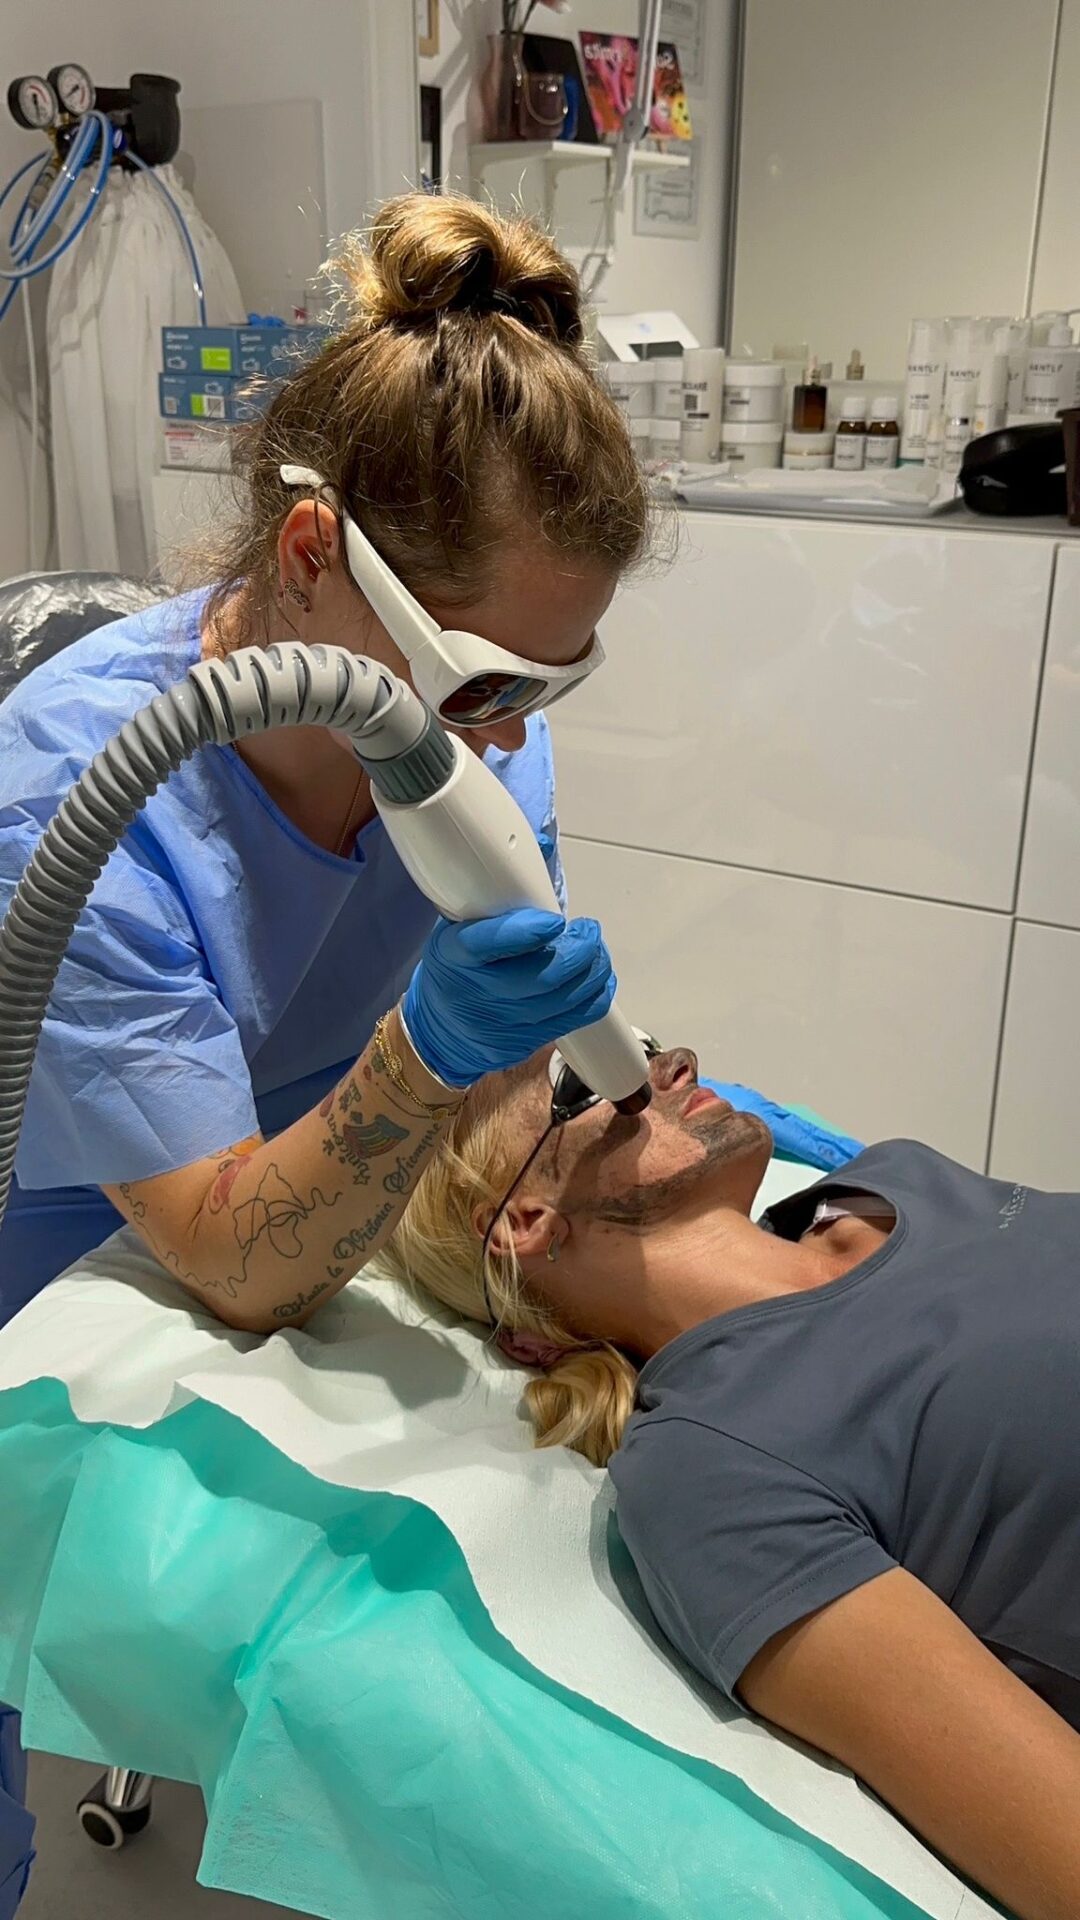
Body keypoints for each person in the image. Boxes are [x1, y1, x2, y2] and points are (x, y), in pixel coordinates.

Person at [0, 192, 649, 1328]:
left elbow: (497, 1100)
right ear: (311, 558)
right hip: (95, 1290)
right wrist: (426, 1054)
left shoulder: (484, 735)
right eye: (487, 680)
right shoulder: (69, 804)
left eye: (552, 682)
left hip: (352, 1235)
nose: (511, 735)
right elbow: (230, 1262)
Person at [381, 1040, 1080, 1920]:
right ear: (524, 1221)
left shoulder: (891, 1177)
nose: (673, 1060)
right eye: (587, 1074)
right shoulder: (710, 1465)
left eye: (640, 1042)